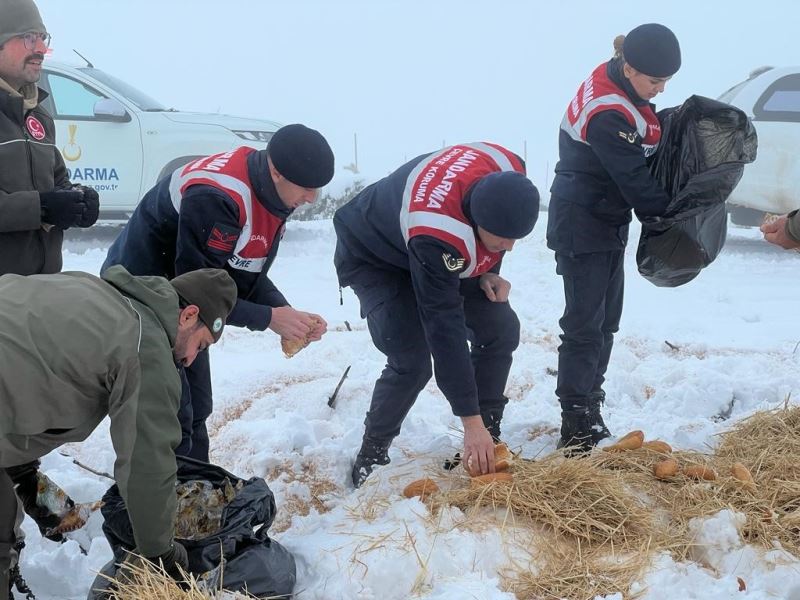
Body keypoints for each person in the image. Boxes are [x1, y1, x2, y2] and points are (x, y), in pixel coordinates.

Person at [102, 124, 335, 461]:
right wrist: (270, 318)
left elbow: (239, 272)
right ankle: (163, 496)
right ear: (276, 172)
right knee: (171, 410)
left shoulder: (273, 195)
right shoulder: (218, 195)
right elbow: (198, 289)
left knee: (198, 403)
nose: (312, 199)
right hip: (142, 295)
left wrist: (287, 314)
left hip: (184, 303)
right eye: (307, 188)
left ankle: (197, 486)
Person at [0, 265, 238, 593]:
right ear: (188, 316)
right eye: (201, 344)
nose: (192, 360)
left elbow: (25, 367)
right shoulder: (146, 346)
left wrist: (28, 478)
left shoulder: (100, 294)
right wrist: (161, 554)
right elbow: (146, 463)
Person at [334, 142, 540, 487]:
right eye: (503, 239)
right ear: (477, 218)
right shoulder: (438, 231)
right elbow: (444, 326)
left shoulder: (507, 169)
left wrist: (489, 267)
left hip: (427, 246)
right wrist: (467, 420)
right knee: (411, 356)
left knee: (500, 327)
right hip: (376, 256)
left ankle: (488, 438)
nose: (510, 246)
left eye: (516, 239)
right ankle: (372, 453)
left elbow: (497, 233)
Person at [0, 0, 100, 590]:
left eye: (44, 36)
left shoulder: (37, 112)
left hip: (32, 300)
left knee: (19, 409)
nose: (41, 49)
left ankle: (27, 490)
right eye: (27, 38)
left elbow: (52, 181)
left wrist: (71, 198)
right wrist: (41, 208)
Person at [546, 23, 681, 452]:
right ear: (629, 67)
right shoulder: (608, 112)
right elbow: (634, 180)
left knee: (606, 323)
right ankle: (575, 423)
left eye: (666, 82)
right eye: (655, 81)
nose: (659, 91)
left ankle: (591, 405)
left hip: (604, 217)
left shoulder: (622, 82)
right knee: (585, 326)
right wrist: (674, 218)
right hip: (581, 220)